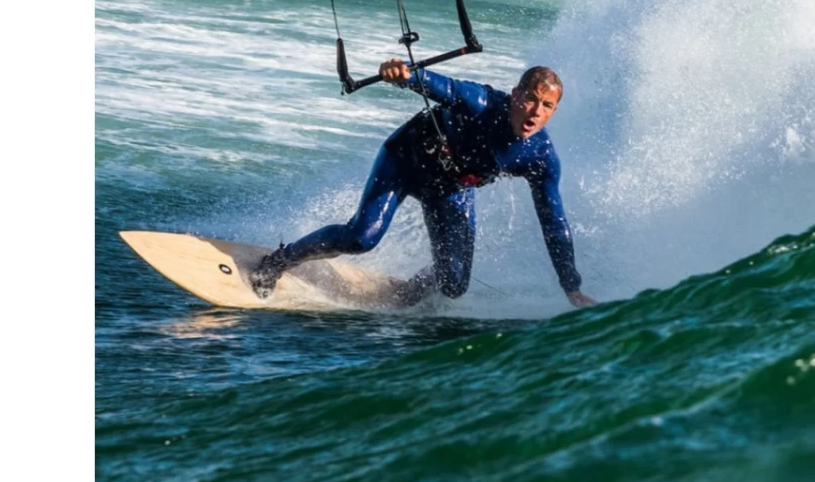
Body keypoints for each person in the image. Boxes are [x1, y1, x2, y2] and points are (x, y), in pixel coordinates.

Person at [250, 60, 597, 308]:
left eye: (547, 105)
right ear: (515, 94)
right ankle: (277, 262)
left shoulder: (540, 158)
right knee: (361, 237)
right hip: (406, 161)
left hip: (450, 189)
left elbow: (553, 222)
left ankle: (403, 295)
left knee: (454, 284)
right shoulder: (481, 103)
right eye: (531, 99)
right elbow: (443, 86)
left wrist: (571, 286)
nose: (536, 111)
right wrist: (404, 75)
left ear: (554, 111)